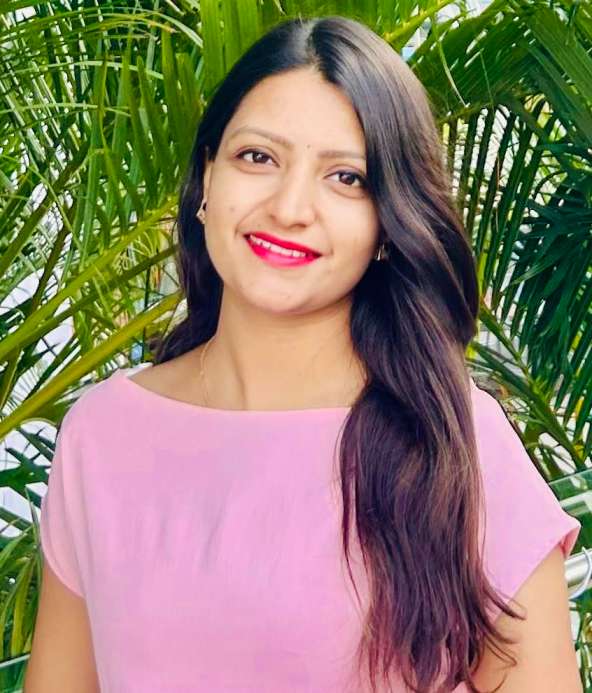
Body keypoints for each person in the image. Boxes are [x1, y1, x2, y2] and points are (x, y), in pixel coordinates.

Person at [27, 14, 582, 693]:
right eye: (258, 158)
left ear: (387, 222)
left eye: (346, 177)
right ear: (206, 179)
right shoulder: (103, 435)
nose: (290, 208)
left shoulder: (457, 440)